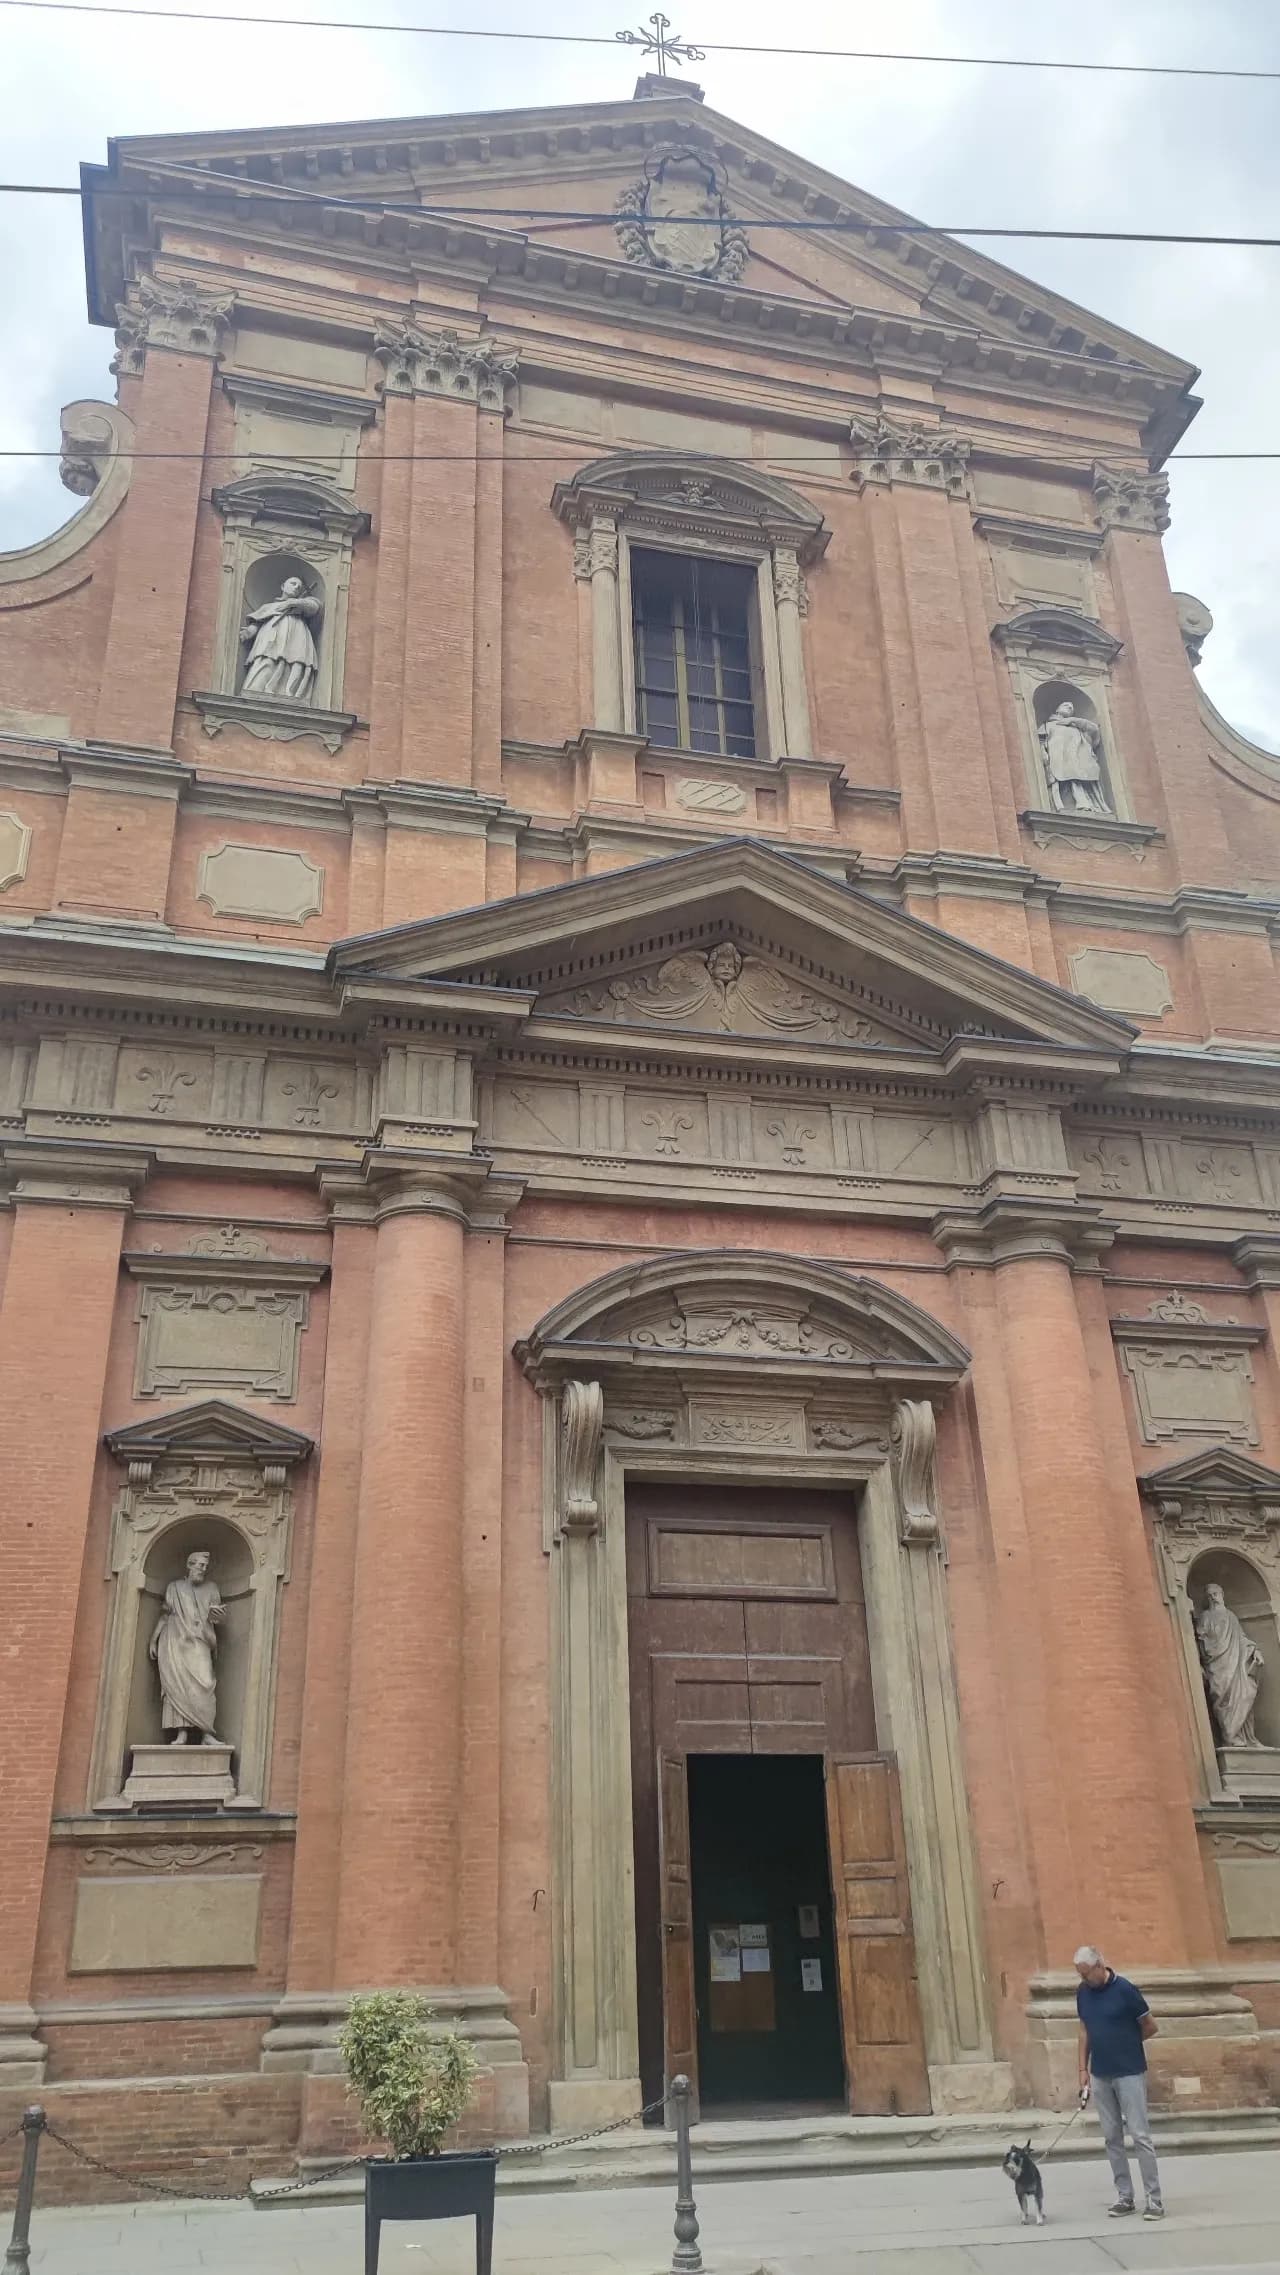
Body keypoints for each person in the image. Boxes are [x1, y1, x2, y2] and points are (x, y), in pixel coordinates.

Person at [1075, 1944, 1163, 2219]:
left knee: (1139, 2135)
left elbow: (1150, 2025)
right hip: (1101, 2074)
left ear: (1100, 1966)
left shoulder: (1125, 1990)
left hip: (1129, 2072)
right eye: (1080, 1975)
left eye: (1087, 1974)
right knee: (1112, 2137)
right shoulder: (1083, 1993)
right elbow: (1084, 2030)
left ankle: (1154, 2200)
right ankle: (1125, 2196)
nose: (1084, 1980)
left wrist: (1127, 2044)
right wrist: (1082, 2069)